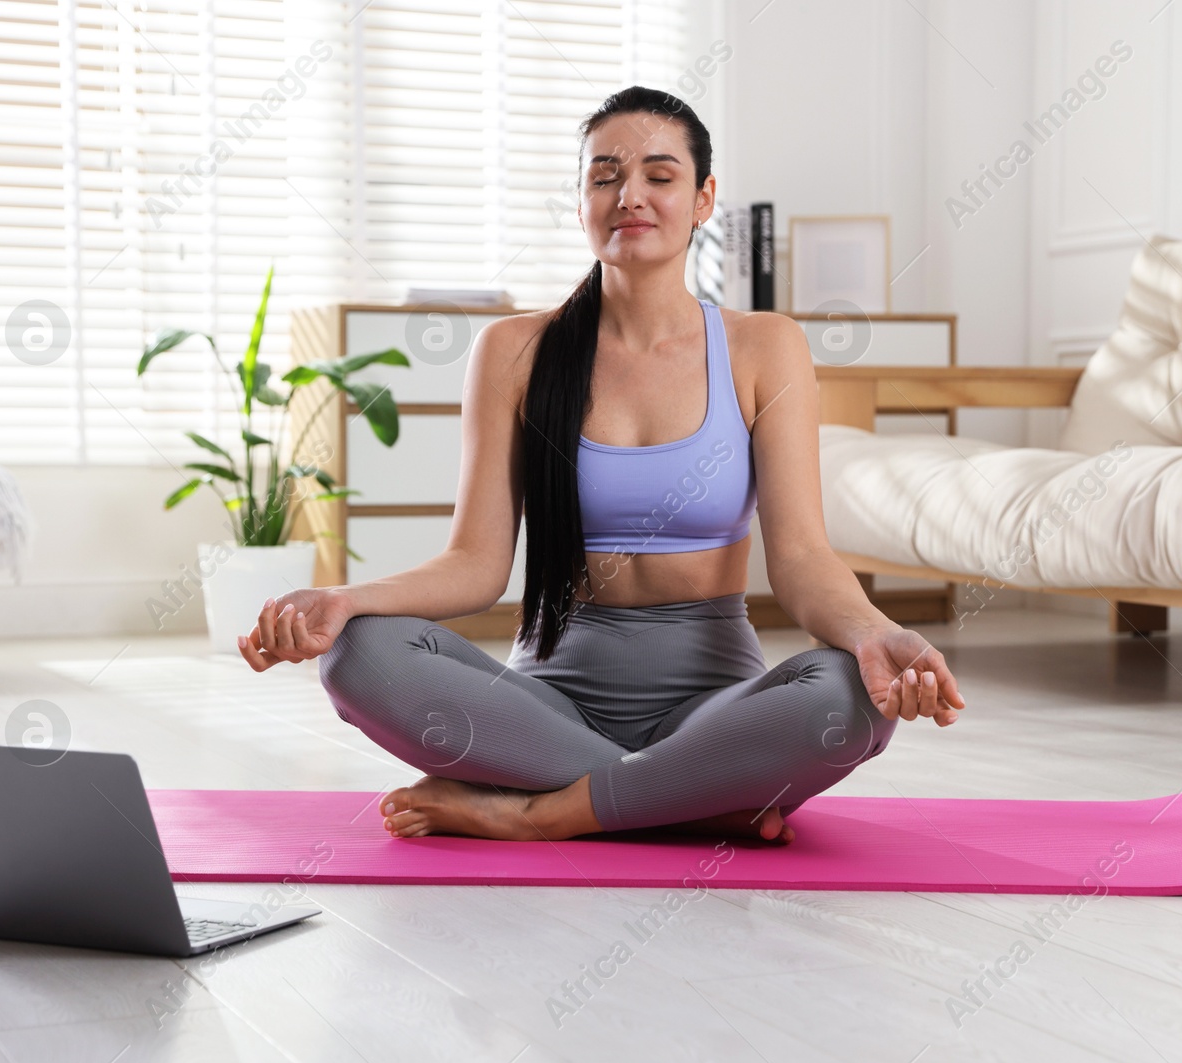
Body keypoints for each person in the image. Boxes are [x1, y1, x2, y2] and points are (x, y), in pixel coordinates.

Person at [239, 85, 965, 846]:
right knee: (357, 656)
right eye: (605, 175)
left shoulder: (763, 345)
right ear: (581, 198)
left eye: (659, 175)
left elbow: (803, 558)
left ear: (703, 197)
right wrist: (344, 600)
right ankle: (690, 792)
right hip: (547, 704)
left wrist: (874, 630)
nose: (631, 196)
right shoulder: (514, 352)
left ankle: (539, 810)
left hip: (711, 704)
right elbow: (475, 563)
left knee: (849, 698)